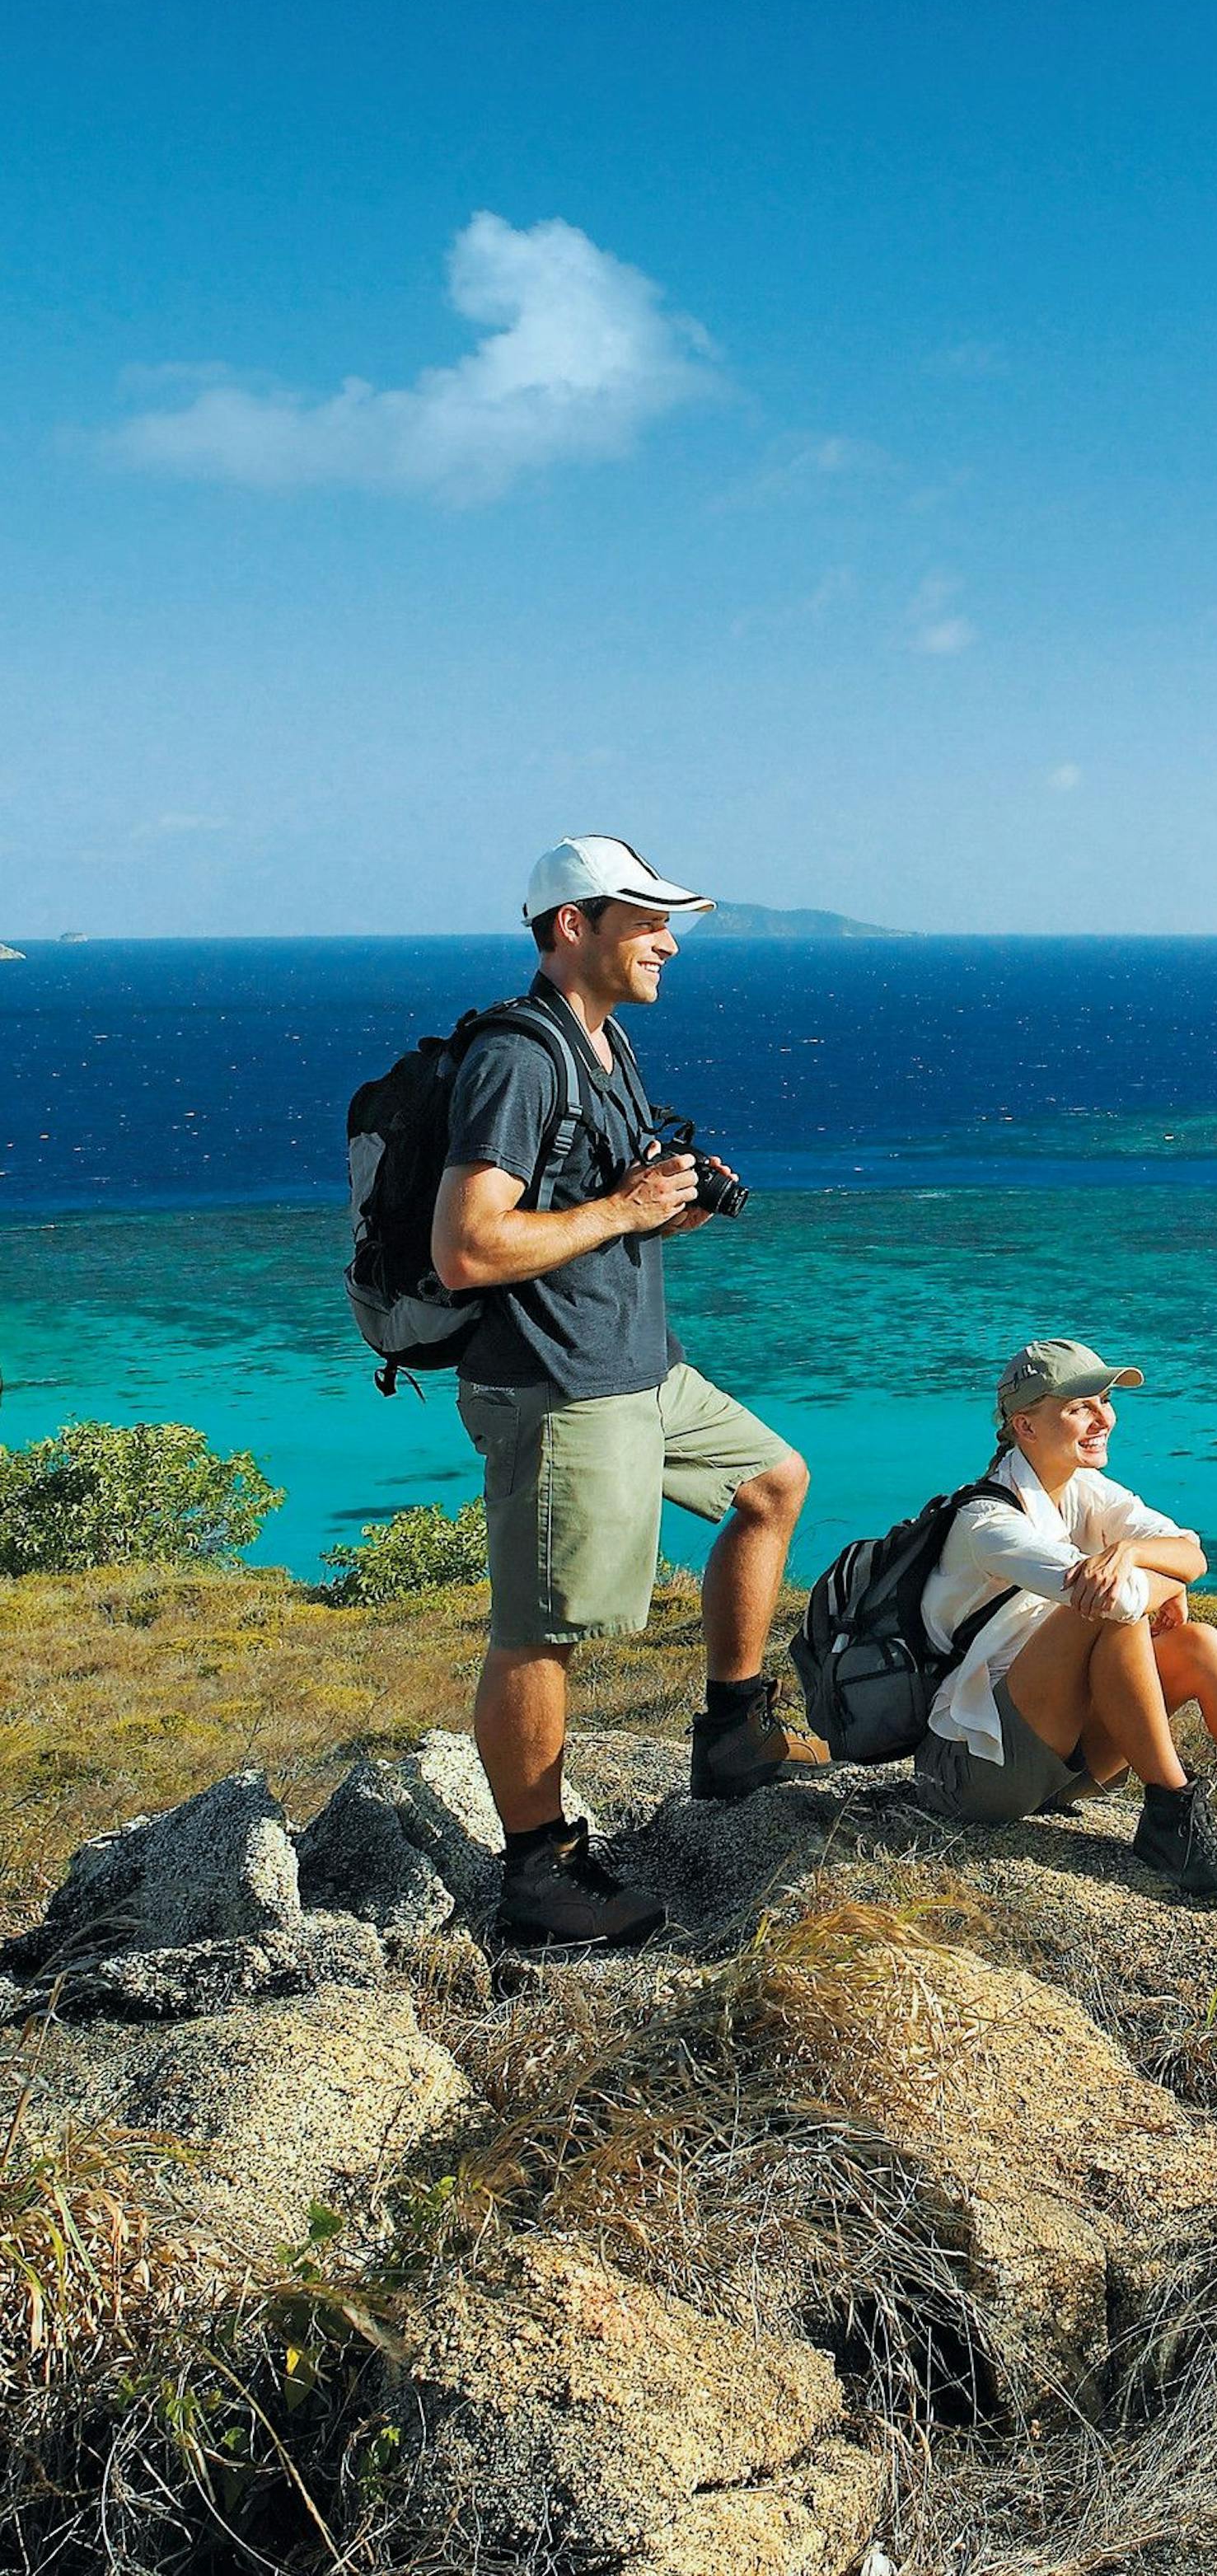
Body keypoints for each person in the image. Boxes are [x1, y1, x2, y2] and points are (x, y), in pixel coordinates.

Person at [431, 834, 826, 1949]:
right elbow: (467, 1248)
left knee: (771, 1482)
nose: (670, 945)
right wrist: (624, 1209)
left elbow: (603, 1202)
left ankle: (735, 1732)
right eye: (648, 924)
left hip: (638, 1367)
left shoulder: (604, 1048)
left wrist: (673, 1204)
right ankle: (539, 1877)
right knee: (541, 1632)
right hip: (560, 1386)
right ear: (573, 928)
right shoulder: (520, 1057)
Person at [914, 1338, 1217, 1913]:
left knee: (1197, 1643)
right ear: (1025, 1426)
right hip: (974, 1769)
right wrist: (1163, 1582)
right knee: (1108, 1610)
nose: (1104, 1417)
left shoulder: (1085, 1491)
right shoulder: (987, 1520)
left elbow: (1191, 1552)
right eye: (1079, 1407)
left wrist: (1130, 1550)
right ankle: (1172, 1810)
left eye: (1104, 1400)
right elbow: (1122, 1599)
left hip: (1060, 1763)